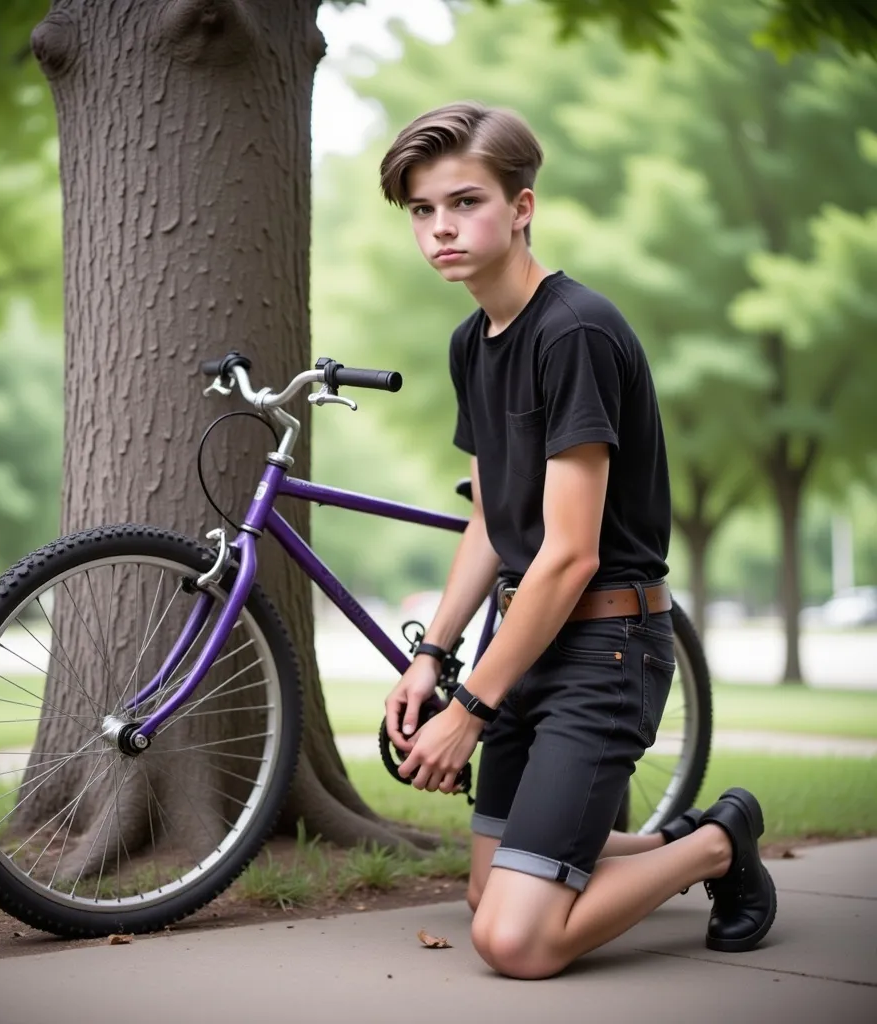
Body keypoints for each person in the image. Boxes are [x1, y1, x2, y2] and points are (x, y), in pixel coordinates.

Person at [379, 101, 776, 979]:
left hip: (603, 644)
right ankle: (674, 841)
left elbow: (569, 553)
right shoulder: (471, 343)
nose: (441, 228)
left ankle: (717, 844)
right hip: (524, 638)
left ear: (522, 207)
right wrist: (431, 658)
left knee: (515, 940)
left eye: (465, 202)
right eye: (421, 210)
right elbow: (490, 521)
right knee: (491, 894)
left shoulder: (577, 332)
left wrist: (468, 712)